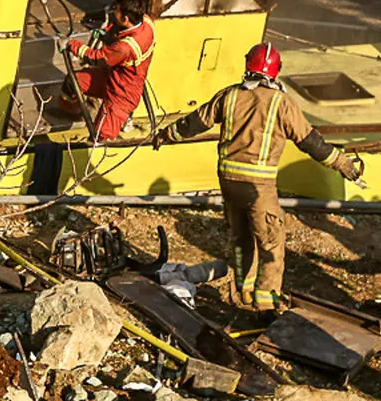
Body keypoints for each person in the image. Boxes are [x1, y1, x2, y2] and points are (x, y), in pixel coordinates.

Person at [154, 43, 362, 313]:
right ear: (276, 72)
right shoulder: (281, 103)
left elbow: (195, 121)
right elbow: (310, 141)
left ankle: (243, 290)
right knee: (272, 245)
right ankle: (266, 305)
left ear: (247, 66)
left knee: (242, 238)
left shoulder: (229, 96)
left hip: (228, 182)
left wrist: (165, 134)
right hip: (258, 186)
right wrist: (341, 163)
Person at [60, 0, 156, 142]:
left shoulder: (125, 47)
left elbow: (96, 58)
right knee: (74, 81)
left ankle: (117, 126)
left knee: (101, 136)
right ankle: (71, 112)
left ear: (125, 18)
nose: (113, 13)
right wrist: (108, 35)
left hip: (122, 94)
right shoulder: (146, 21)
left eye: (116, 11)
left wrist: (70, 44)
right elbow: (120, 36)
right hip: (114, 76)